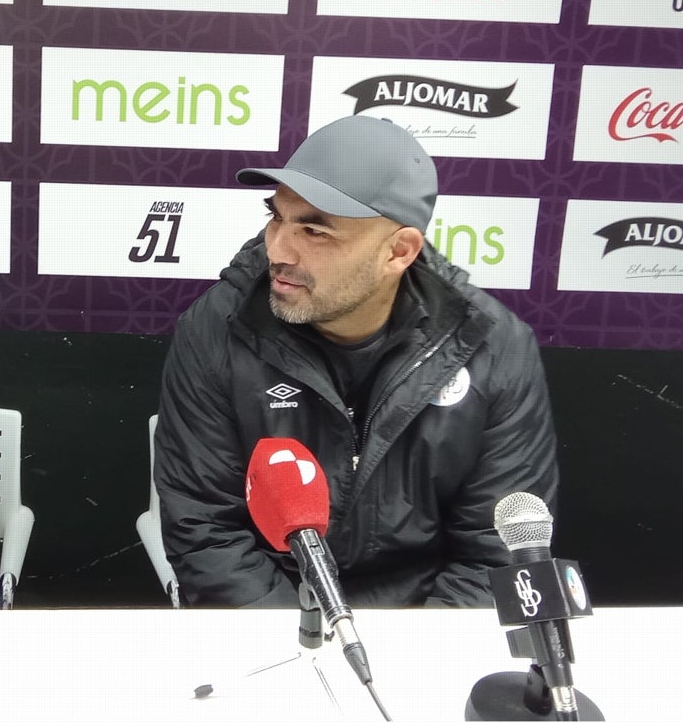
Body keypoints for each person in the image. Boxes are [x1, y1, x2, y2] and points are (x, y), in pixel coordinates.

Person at [153, 114, 559, 608]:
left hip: (421, 626)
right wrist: (297, 659)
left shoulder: (494, 348)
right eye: (276, 217)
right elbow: (206, 533)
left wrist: (415, 662)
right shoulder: (218, 328)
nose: (278, 249)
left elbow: (496, 553)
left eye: (315, 231)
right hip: (273, 618)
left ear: (399, 251)